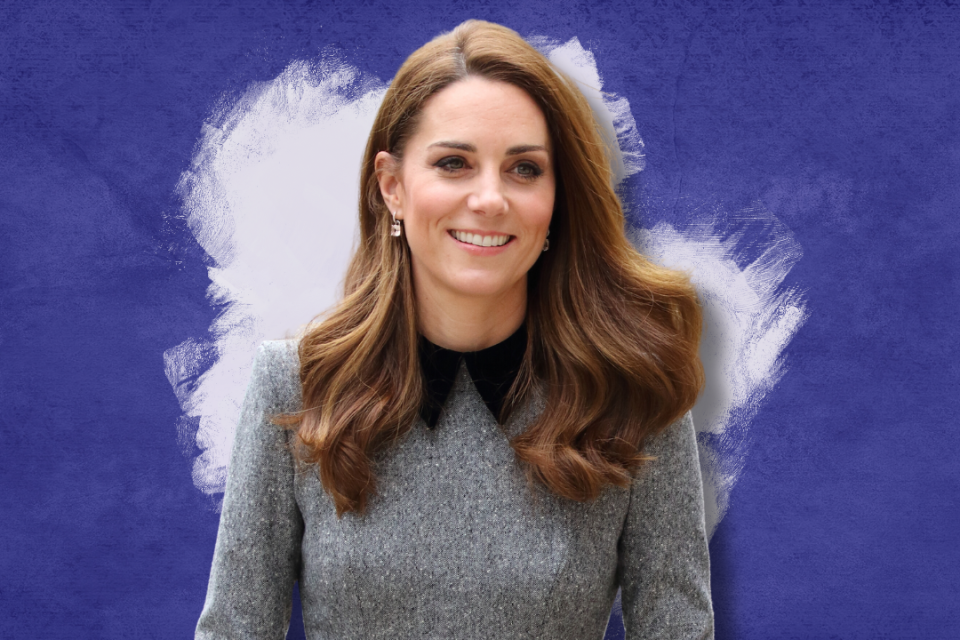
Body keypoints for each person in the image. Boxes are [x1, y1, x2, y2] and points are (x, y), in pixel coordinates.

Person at [196, 19, 713, 640]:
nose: (489, 199)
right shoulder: (295, 385)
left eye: (524, 169)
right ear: (392, 186)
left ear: (558, 198)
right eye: (453, 163)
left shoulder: (634, 393)